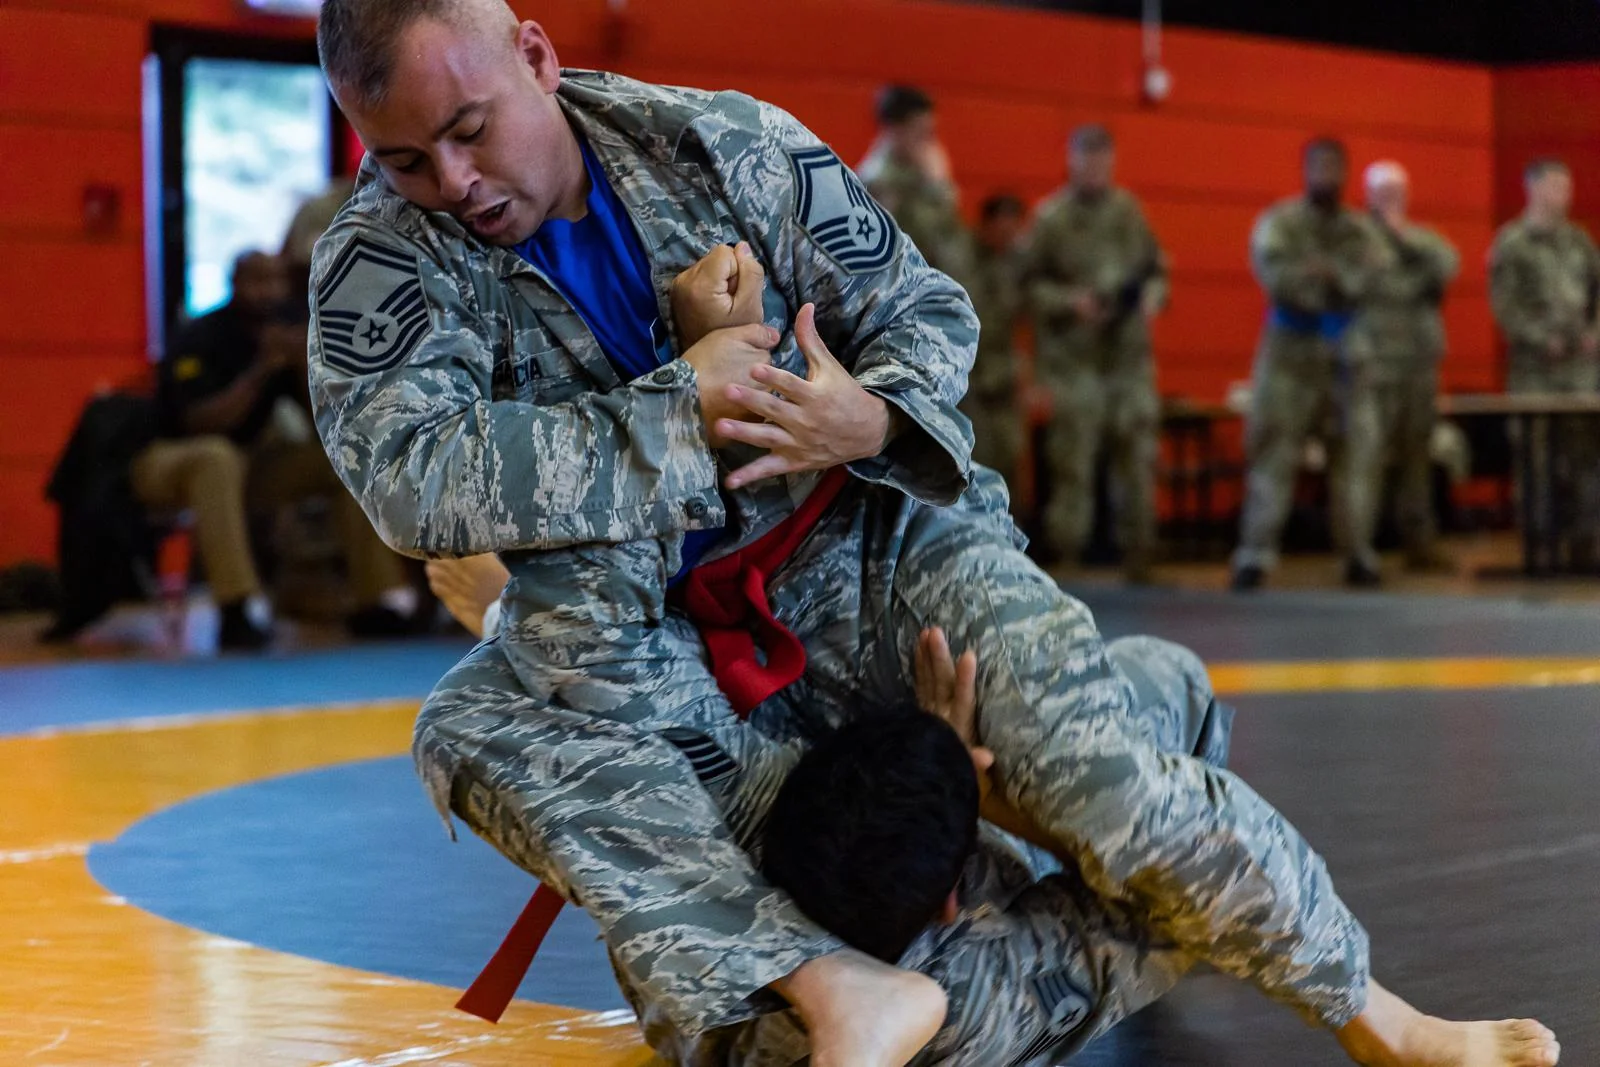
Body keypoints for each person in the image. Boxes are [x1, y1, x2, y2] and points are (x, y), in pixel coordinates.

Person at [309, 4, 1555, 1063]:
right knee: (501, 755)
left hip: (875, 557)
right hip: (660, 671)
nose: (453, 185)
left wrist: (868, 410)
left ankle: (1368, 1004)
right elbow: (414, 481)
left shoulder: (723, 144)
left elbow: (924, 313)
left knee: (1098, 785)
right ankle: (839, 973)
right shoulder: (380, 259)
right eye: (407, 159)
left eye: (468, 133)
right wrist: (685, 402)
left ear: (534, 56)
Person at [133, 251, 414, 648]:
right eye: (258, 282)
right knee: (217, 456)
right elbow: (199, 423)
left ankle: (378, 602)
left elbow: (324, 427)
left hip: (244, 467)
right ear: (235, 284)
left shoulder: (283, 330)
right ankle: (236, 608)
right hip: (165, 459)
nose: (269, 292)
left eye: (276, 282)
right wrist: (262, 368)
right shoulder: (201, 335)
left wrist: (303, 365)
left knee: (342, 459)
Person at [1231, 139, 1394, 592]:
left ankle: (1358, 554)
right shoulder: (1281, 223)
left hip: (1346, 359)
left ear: (1344, 173)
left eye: (1334, 167)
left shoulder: (1360, 230)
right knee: (1273, 455)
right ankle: (1255, 555)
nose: (1326, 175)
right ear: (1305, 170)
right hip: (1288, 359)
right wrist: (1330, 281)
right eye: (1318, 166)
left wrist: (1334, 276)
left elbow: (1375, 278)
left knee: (1356, 458)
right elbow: (1279, 278)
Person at [1025, 124, 1168, 582]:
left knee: (1138, 463)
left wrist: (1152, 297)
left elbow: (1156, 270)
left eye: (1103, 160)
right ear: (1071, 162)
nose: (1095, 170)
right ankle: (1065, 568)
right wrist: (1072, 303)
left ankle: (1141, 560)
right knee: (1073, 470)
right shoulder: (1051, 219)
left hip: (1127, 361)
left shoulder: (1129, 213)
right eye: (1086, 160)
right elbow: (1024, 289)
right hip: (1074, 364)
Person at [1489, 159, 1600, 565]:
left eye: (1567, 187)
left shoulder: (1579, 241)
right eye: (1555, 186)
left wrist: (1595, 335)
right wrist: (1538, 339)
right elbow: (1504, 305)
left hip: (1581, 370)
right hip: (1536, 370)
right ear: (1532, 189)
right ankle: (1541, 545)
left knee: (1586, 455)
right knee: (1537, 458)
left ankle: (1587, 543)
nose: (1563, 195)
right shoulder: (1513, 242)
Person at [1350, 162, 1460, 573]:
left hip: (1418, 362)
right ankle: (1360, 548)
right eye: (1383, 192)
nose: (1391, 199)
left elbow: (1448, 266)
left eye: (1398, 191)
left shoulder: (1422, 239)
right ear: (1368, 196)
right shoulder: (1354, 238)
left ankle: (1420, 543)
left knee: (1418, 454)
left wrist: (1401, 237)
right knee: (1368, 455)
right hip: (1373, 363)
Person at [857, 84, 974, 285]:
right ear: (894, 130)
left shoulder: (921, 172)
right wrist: (937, 185)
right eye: (920, 132)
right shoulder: (877, 181)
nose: (927, 142)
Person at [962, 193, 1028, 488]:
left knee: (1010, 462)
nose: (1008, 238)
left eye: (1013, 231)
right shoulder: (963, 259)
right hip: (971, 379)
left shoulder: (1017, 264)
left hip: (1005, 380)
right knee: (976, 460)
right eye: (1002, 230)